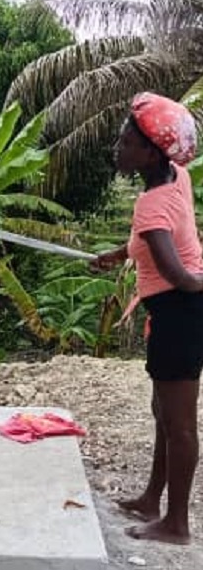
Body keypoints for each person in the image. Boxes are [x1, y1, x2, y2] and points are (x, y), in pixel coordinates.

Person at [91, 92, 203, 544]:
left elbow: (175, 273)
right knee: (164, 412)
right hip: (178, 309)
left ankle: (176, 524)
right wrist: (117, 254)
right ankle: (153, 497)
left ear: (151, 152)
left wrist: (201, 282)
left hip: (181, 310)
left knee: (179, 424)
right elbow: (151, 240)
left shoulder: (150, 203)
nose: (118, 147)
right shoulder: (173, 175)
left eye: (126, 141)